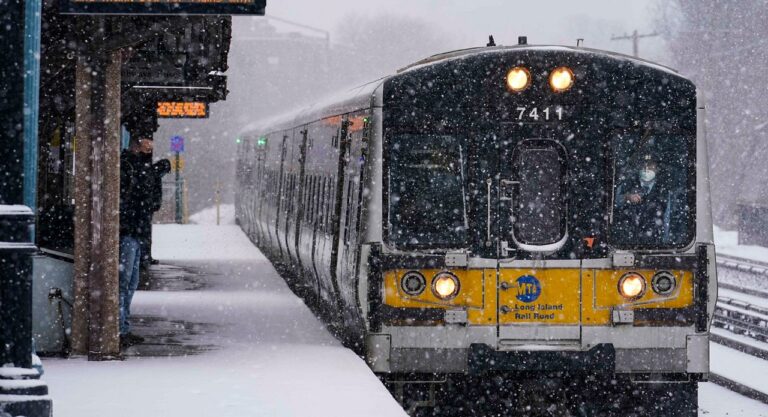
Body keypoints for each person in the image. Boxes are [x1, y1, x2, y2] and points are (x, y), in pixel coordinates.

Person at [613, 154, 674, 243]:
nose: (646, 168)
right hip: (626, 241)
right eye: (643, 164)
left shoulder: (663, 190)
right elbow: (613, 203)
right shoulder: (627, 184)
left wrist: (665, 242)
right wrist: (627, 197)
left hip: (652, 242)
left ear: (657, 168)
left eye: (650, 165)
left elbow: (666, 219)